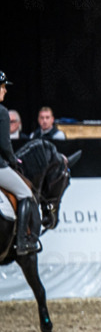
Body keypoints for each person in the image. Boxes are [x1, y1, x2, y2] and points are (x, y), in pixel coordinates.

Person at [0, 71, 38, 255]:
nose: (5, 91)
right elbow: (4, 144)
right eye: (2, 87)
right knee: (25, 193)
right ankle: (22, 242)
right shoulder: (2, 112)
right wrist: (13, 160)